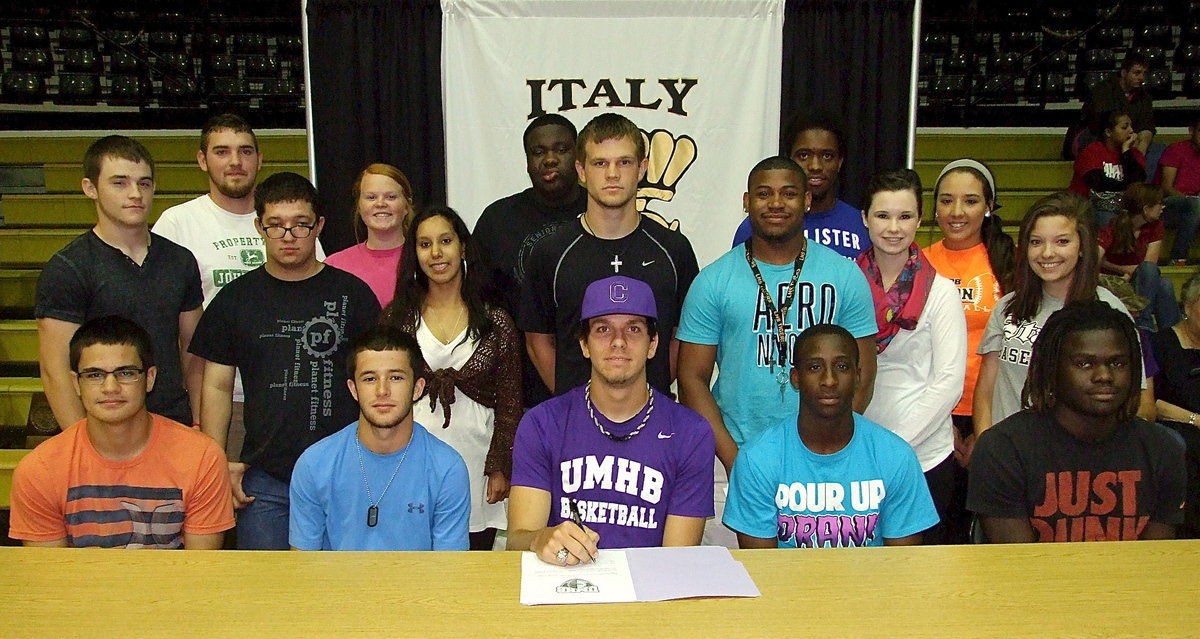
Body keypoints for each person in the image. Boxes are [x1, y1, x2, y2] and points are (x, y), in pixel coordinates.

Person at [189, 172, 381, 550]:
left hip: (345, 474)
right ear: (259, 226)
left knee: (348, 591)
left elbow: (376, 379)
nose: (289, 237)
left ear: (319, 226)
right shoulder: (234, 300)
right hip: (266, 480)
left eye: (300, 225)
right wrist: (217, 464)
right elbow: (216, 385)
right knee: (269, 596)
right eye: (276, 226)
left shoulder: (353, 295)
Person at [508, 276, 715, 565]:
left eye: (633, 329)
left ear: (653, 343)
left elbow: (677, 564)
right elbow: (516, 541)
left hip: (650, 596)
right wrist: (540, 539)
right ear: (584, 344)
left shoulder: (691, 433)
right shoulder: (541, 424)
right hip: (565, 590)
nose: (618, 341)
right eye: (603, 329)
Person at [153, 113, 316, 462]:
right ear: (202, 159)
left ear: (260, 159)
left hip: (292, 396)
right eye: (222, 151)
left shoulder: (291, 220)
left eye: (245, 151)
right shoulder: (177, 223)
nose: (235, 162)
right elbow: (166, 321)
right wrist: (193, 408)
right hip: (218, 398)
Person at [968, 301, 1185, 543]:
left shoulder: (1163, 449)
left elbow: (1157, 561)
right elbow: (1017, 565)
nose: (1104, 376)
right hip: (1037, 579)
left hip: (1134, 580)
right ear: (1052, 368)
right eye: (1084, 364)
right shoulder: (1003, 448)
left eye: (1117, 363)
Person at [9, 316, 233, 549]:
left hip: (172, 585)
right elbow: (51, 576)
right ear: (76, 383)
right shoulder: (39, 470)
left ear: (149, 378)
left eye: (125, 373)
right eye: (94, 375)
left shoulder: (202, 457)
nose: (110, 388)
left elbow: (199, 573)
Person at [520, 112, 699, 397]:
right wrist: (577, 404)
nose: (612, 174)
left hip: (654, 420)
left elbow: (682, 337)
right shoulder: (551, 252)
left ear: (641, 169)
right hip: (577, 424)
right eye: (600, 163)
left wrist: (636, 397)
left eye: (624, 162)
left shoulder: (674, 250)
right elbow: (538, 341)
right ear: (581, 170)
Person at [36, 135, 203, 429]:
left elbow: (195, 351)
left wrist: (200, 423)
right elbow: (56, 371)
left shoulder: (180, 260)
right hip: (105, 431)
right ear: (91, 188)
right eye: (120, 182)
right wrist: (82, 444)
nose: (135, 193)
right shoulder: (69, 267)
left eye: (144, 183)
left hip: (173, 423)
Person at [380, 206, 522, 551]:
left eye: (445, 241)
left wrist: (501, 465)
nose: (436, 253)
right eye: (424, 244)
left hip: (477, 466)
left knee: (472, 571)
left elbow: (509, 402)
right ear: (414, 254)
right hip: (409, 464)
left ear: (462, 247)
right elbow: (380, 398)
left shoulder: (495, 321)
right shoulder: (396, 320)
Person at [723, 324, 938, 548]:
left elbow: (904, 566)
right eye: (815, 367)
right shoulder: (757, 459)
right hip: (785, 583)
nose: (829, 380)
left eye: (842, 367)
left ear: (857, 376)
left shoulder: (896, 457)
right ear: (796, 378)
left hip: (873, 583)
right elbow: (761, 570)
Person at [855, 169, 966, 545]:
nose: (893, 228)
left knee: (921, 576)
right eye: (883, 216)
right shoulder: (845, 284)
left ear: (920, 220)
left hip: (924, 458)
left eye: (905, 216)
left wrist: (894, 447)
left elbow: (948, 382)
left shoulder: (942, 292)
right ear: (865, 218)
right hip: (855, 453)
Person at [974, 191, 1142, 436]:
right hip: (1009, 453)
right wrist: (985, 446)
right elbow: (987, 388)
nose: (1047, 253)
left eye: (1062, 241)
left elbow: (1137, 399)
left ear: (1083, 246)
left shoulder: (1109, 311)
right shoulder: (1007, 306)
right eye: (1036, 241)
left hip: (1073, 458)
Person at [289, 326, 470, 551]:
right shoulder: (314, 464)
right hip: (335, 586)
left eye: (395, 377)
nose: (382, 390)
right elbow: (303, 566)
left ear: (417, 388)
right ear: (353, 390)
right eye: (369, 379)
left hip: (419, 586)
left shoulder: (447, 469)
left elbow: (448, 572)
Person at [923, 159, 1015, 541]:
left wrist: (984, 431)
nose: (956, 212)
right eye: (946, 201)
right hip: (929, 418)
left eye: (970, 201)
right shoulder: (918, 260)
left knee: (979, 536)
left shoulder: (1011, 263)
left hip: (992, 416)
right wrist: (940, 427)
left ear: (989, 206)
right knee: (932, 530)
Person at [475, 114, 588, 408]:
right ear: (527, 160)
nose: (550, 159)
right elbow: (475, 304)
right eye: (538, 152)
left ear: (578, 156)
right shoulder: (497, 221)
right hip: (516, 391)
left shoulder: (603, 210)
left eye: (561, 150)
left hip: (599, 381)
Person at [731, 111, 869, 259]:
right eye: (804, 155)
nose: (815, 166)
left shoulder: (862, 226)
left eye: (827, 156)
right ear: (789, 159)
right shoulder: (756, 227)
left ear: (839, 163)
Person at [1149, 272, 1200, 538]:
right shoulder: (1161, 343)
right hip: (1175, 424)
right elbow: (1151, 401)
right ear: (1188, 307)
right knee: (1187, 444)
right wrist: (1194, 418)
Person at [323, 163, 413, 306]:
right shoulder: (334, 267)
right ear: (359, 206)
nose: (380, 203)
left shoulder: (424, 260)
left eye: (391, 197)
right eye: (371, 197)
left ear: (406, 205)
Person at [1098, 183, 1180, 331]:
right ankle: (1147, 324)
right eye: (1159, 203)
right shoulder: (1114, 225)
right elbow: (1094, 258)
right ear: (1146, 209)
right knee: (1164, 285)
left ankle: (1168, 333)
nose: (1163, 207)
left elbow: (1149, 266)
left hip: (1141, 280)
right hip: (1115, 281)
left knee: (1161, 280)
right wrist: (1121, 269)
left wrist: (1126, 270)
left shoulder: (1156, 226)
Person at [1069, 109, 1147, 228]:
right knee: (1110, 219)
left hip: (1122, 206)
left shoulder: (1134, 155)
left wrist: (1126, 152)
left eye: (1131, 127)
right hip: (1088, 205)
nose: (1131, 131)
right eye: (1124, 127)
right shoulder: (1092, 151)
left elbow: (1138, 182)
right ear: (1108, 132)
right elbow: (1099, 184)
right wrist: (1127, 184)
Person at [1075, 52, 1155, 158]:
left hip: (1129, 138)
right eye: (1137, 73)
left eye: (1144, 74)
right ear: (1123, 73)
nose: (1141, 78)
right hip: (1097, 136)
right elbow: (1105, 124)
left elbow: (1147, 126)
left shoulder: (1145, 98)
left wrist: (1142, 146)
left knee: (1157, 151)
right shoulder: (1103, 90)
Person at [1156, 112, 1200, 265]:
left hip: (1194, 210)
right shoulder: (1176, 150)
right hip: (1169, 206)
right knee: (1195, 204)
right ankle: (1178, 258)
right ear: (1191, 130)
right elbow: (1167, 187)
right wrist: (1191, 199)